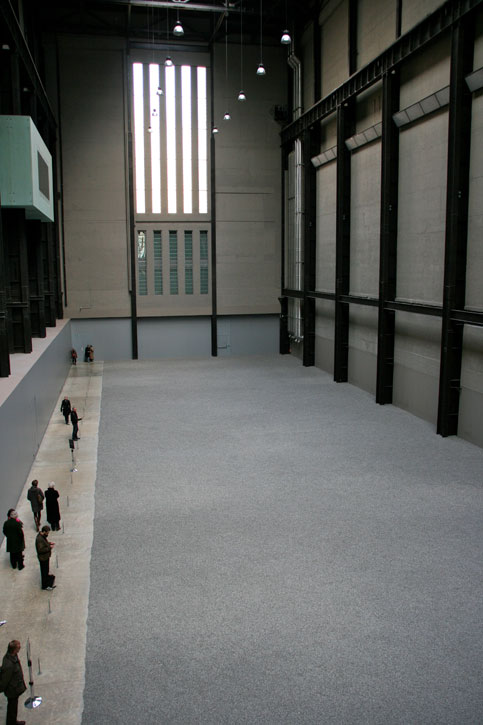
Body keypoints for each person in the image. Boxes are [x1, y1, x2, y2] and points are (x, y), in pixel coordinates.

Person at [0, 639, 27, 725]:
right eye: (18, 647)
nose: (20, 649)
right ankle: (11, 723)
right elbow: (4, 680)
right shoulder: (9, 664)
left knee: (13, 708)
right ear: (14, 650)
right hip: (12, 690)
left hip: (15, 688)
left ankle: (13, 721)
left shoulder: (12, 656)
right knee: (12, 708)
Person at [35, 525, 55, 591]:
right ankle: (45, 586)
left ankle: (47, 582)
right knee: (44, 572)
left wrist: (49, 543)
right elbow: (40, 550)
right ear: (44, 531)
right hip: (43, 558)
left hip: (45, 557)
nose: (47, 534)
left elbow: (44, 544)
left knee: (46, 571)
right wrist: (49, 547)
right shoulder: (39, 539)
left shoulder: (42, 537)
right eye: (47, 533)